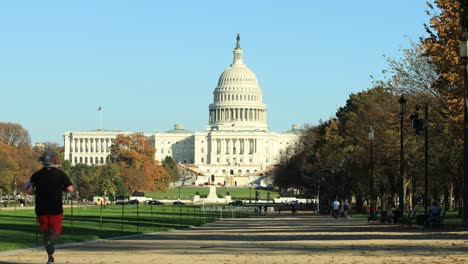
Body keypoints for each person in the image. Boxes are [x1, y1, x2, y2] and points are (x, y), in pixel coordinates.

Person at [26, 151, 74, 264]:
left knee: (45, 232)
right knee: (54, 231)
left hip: (41, 208)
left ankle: (50, 257)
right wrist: (62, 189)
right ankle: (49, 241)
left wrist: (36, 192)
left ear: (43, 161)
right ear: (53, 161)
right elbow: (70, 189)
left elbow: (29, 190)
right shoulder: (60, 174)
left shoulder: (36, 175)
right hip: (55, 208)